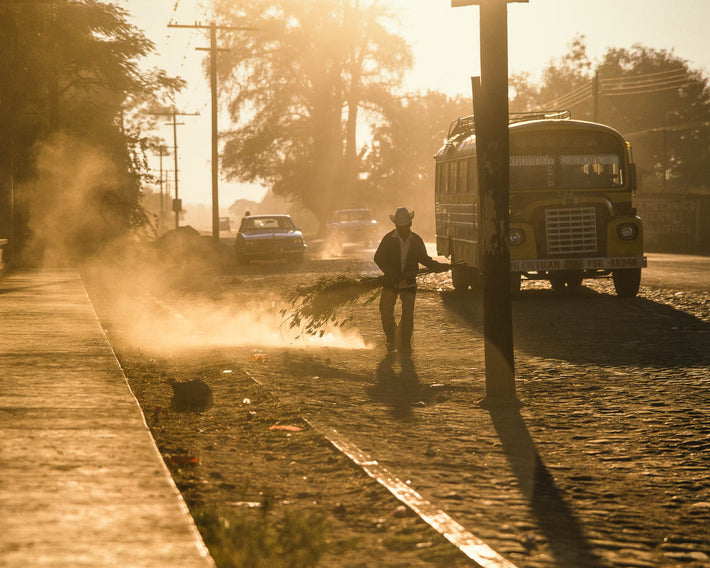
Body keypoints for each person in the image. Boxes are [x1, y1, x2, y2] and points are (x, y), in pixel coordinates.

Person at [374, 207, 449, 354]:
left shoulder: (416, 241)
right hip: (391, 282)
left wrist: (438, 266)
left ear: (410, 225)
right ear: (396, 226)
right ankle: (392, 338)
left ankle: (405, 343)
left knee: (408, 315)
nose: (402, 229)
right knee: (385, 311)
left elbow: (424, 259)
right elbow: (378, 258)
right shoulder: (388, 239)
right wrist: (390, 273)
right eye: (400, 227)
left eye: (405, 227)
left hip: (409, 283)